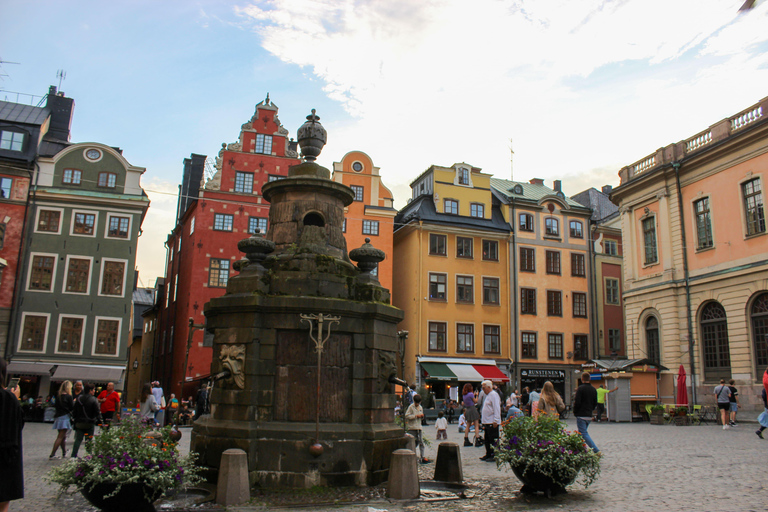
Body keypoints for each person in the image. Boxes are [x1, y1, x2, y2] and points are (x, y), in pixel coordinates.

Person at [0, 356, 24, 511]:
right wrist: (14, 400)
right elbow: (17, 425)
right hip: (4, 456)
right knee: (2, 501)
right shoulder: (8, 398)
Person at [71, 383, 101, 458]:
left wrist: (75, 419)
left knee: (78, 440)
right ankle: (88, 455)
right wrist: (100, 421)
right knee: (89, 440)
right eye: (94, 389)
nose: (94, 391)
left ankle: (73, 456)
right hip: (89, 423)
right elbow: (97, 412)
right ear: (90, 390)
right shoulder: (94, 399)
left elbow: (74, 411)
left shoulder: (78, 399)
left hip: (79, 423)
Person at [573, 372, 600, 454]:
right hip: (589, 414)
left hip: (581, 414)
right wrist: (590, 410)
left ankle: (596, 450)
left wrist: (575, 412)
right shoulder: (593, 389)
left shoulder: (580, 389)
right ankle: (578, 449)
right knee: (581, 433)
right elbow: (595, 402)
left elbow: (577, 402)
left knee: (583, 433)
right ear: (590, 379)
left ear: (582, 379)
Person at [49, 380, 73, 459]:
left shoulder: (58, 395)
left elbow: (55, 404)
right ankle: (52, 454)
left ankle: (64, 452)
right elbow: (71, 407)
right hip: (65, 417)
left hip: (58, 416)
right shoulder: (68, 397)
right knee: (60, 437)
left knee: (62, 436)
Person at [479, 380, 501, 462]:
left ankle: (494, 454)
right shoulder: (488, 395)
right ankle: (488, 453)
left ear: (489, 387)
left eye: (484, 388)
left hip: (492, 422)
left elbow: (496, 408)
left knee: (493, 439)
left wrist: (496, 420)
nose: (483, 390)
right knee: (487, 439)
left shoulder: (494, 395)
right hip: (487, 421)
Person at [405, 394, 428, 464]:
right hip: (412, 427)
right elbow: (407, 415)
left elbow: (421, 415)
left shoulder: (420, 407)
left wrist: (422, 417)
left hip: (419, 427)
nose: (417, 404)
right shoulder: (411, 407)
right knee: (412, 442)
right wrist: (415, 416)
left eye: (418, 403)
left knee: (421, 442)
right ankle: (411, 455)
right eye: (416, 403)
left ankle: (422, 457)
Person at [461, 383, 480, 447]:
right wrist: (477, 395)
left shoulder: (464, 395)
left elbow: (468, 399)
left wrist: (473, 395)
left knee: (468, 425)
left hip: (467, 409)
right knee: (476, 424)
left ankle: (466, 439)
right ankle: (477, 439)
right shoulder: (471, 394)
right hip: (472, 408)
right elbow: (475, 401)